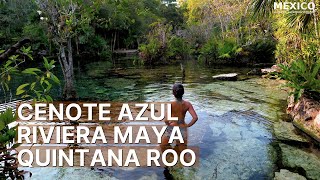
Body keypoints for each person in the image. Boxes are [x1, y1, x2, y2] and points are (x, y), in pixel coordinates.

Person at [161, 83, 198, 154]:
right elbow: (195, 118)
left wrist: (168, 124)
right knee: (182, 148)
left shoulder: (171, 104)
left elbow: (166, 120)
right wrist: (188, 125)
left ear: (173, 93)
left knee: (163, 146)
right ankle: (182, 161)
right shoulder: (188, 104)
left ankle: (168, 161)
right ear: (183, 92)